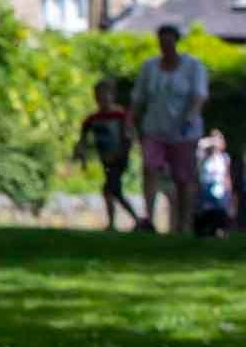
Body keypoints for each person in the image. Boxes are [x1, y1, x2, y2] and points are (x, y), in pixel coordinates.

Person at [130, 23, 212, 237]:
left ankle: (184, 223)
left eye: (169, 41)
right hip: (155, 128)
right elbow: (139, 98)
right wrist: (130, 121)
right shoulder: (149, 67)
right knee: (150, 169)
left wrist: (190, 117)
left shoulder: (193, 66)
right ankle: (148, 218)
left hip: (184, 131)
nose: (165, 46)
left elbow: (199, 95)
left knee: (183, 177)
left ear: (175, 41)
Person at [74, 78, 145, 232]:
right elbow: (83, 140)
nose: (102, 100)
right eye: (99, 97)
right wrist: (82, 157)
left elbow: (129, 136)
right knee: (113, 191)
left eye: (105, 95)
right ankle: (132, 220)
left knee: (109, 189)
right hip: (105, 158)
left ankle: (121, 222)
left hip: (119, 158)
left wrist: (121, 153)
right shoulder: (92, 119)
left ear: (112, 96)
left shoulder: (119, 115)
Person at [198, 130, 234, 238]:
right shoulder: (204, 156)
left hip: (221, 188)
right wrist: (212, 140)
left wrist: (229, 189)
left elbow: (227, 175)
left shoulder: (225, 157)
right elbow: (200, 144)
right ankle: (207, 231)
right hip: (206, 185)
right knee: (207, 210)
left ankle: (220, 231)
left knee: (221, 211)